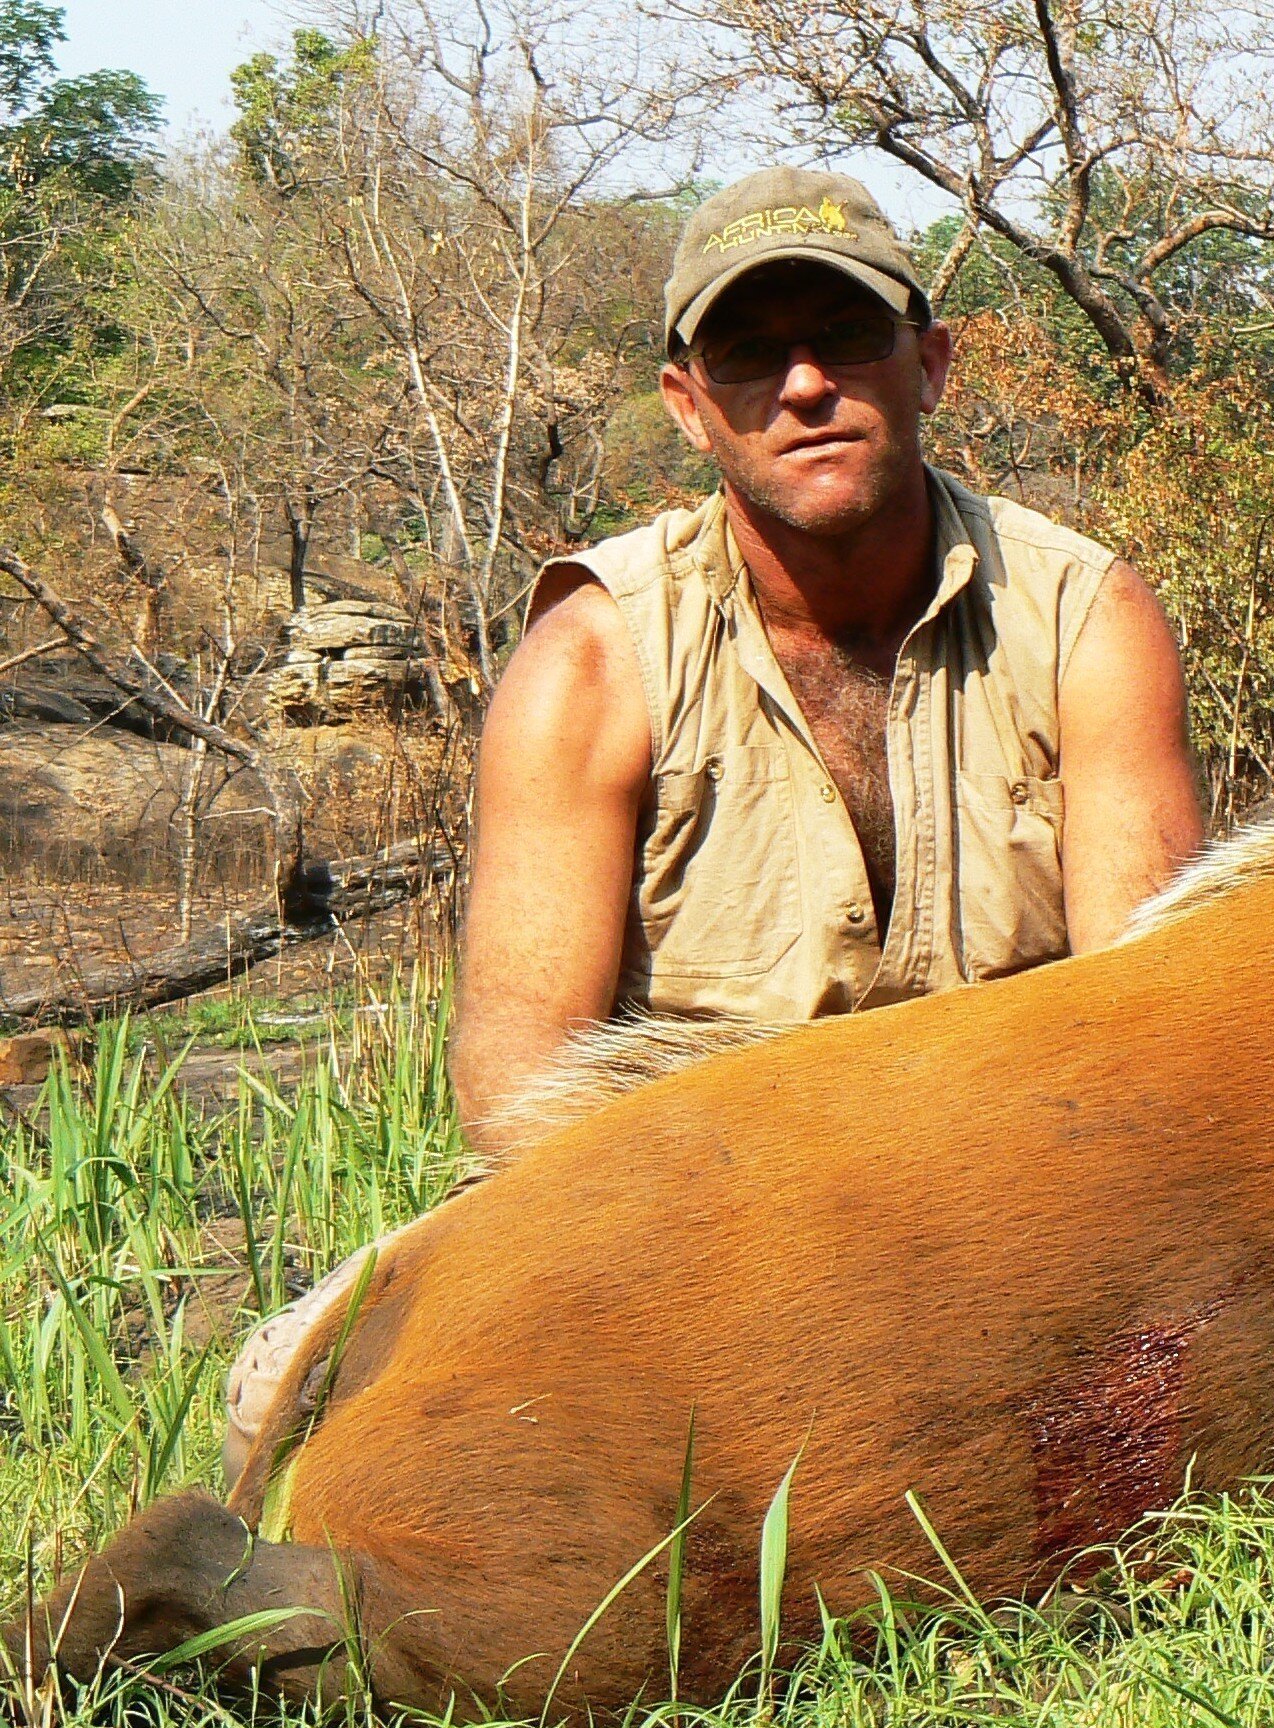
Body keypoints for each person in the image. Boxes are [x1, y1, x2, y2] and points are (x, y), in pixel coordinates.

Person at [219, 166, 1206, 1484]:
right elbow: (516, 1110)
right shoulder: (591, 660)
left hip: (1010, 1215)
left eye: (848, 340)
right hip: (691, 1230)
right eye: (750, 355)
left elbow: (1156, 1044)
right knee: (278, 1402)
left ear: (931, 363)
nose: (805, 387)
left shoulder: (1088, 619)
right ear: (690, 407)